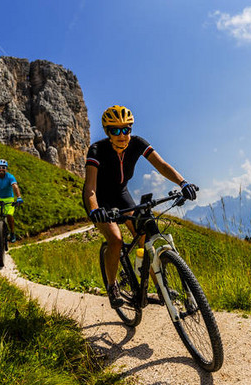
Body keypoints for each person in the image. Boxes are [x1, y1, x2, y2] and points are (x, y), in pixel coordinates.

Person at [83, 105, 198, 308]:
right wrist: (95, 210)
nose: (122, 135)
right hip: (101, 200)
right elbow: (90, 187)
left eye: (126, 129)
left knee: (145, 236)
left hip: (122, 194)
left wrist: (183, 183)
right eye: (116, 130)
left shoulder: (137, 144)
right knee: (116, 240)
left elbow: (161, 165)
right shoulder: (97, 150)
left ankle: (160, 287)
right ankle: (112, 286)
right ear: (107, 132)